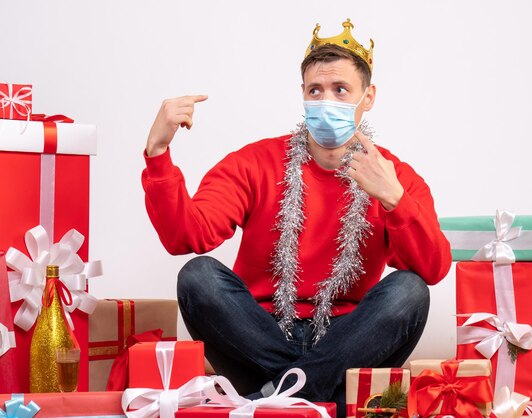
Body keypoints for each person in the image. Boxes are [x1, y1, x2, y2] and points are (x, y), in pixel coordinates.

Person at [142, 19, 451, 417]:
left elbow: (434, 268)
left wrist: (394, 198)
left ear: (368, 96)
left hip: (348, 345)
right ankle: (313, 397)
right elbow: (184, 237)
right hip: (258, 339)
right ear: (302, 95)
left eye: (341, 91)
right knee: (197, 275)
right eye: (315, 91)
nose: (326, 102)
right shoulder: (254, 162)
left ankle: (277, 399)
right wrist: (157, 153)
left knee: (410, 290)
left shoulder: (396, 176)